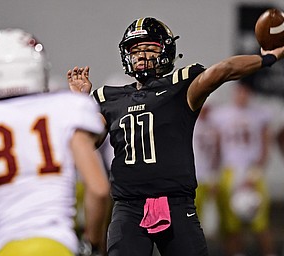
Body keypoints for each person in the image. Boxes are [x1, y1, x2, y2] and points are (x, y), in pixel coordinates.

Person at [67, 17, 284, 256]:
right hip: (128, 207)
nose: (141, 56)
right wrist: (81, 103)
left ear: (167, 51)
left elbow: (224, 70)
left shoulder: (181, 86)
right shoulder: (109, 97)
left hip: (176, 203)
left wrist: (266, 57)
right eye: (136, 50)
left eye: (150, 48)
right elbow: (89, 142)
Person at [0, 28, 110, 256]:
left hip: (2, 247)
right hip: (56, 244)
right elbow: (99, 189)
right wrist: (93, 244)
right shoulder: (68, 107)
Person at [212, 81, 276, 256]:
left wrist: (254, 174)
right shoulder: (220, 115)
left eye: (245, 91)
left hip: (251, 171)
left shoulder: (260, 114)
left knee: (260, 223)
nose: (242, 95)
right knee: (231, 225)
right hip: (229, 171)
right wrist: (214, 176)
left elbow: (264, 147)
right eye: (239, 91)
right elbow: (217, 148)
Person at [193, 104, 220, 239]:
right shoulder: (192, 123)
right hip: (192, 177)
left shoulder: (213, 127)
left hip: (204, 177)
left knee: (202, 225)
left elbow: (216, 155)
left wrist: (213, 177)